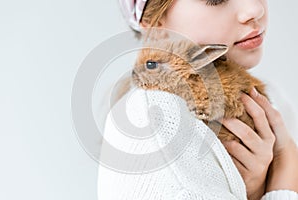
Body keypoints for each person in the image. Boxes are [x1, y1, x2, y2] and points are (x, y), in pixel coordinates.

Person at [97, 0, 298, 199]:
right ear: (155, 24)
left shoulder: (272, 102)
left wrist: (254, 188)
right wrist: (284, 173)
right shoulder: (159, 125)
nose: (255, 9)